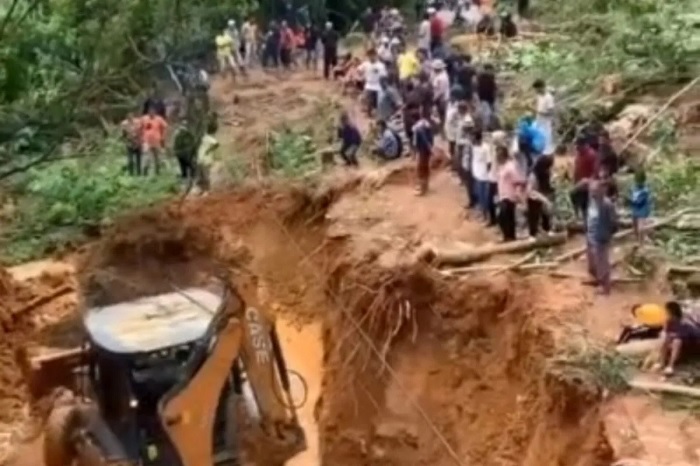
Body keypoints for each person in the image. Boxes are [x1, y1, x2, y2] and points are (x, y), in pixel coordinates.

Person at [586, 180, 618, 295]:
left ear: (601, 191)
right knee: (599, 261)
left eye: (594, 191)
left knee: (603, 262)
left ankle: (605, 287)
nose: (592, 193)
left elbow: (614, 222)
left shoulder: (606, 204)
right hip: (596, 235)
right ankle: (601, 283)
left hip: (602, 236)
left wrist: (608, 233)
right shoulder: (597, 203)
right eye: (591, 191)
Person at [652, 301, 700, 376]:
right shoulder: (668, 322)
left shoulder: (684, 323)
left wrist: (670, 337)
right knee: (666, 339)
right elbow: (667, 333)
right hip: (682, 340)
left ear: (673, 313)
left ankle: (670, 366)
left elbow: (680, 336)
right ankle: (661, 362)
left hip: (694, 343)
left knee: (677, 341)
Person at [496, 146, 523, 242]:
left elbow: (518, 181)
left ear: (504, 156)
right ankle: (510, 237)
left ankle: (509, 236)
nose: (497, 157)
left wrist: (517, 194)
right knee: (508, 218)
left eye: (499, 155)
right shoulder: (502, 166)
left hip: (509, 196)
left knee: (502, 217)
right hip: (502, 195)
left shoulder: (510, 167)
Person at [570, 137, 598, 226]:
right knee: (576, 205)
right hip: (578, 185)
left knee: (586, 209)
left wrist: (588, 181)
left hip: (586, 187)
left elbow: (595, 172)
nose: (576, 148)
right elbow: (576, 169)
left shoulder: (592, 155)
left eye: (578, 146)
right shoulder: (579, 154)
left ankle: (589, 228)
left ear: (584, 145)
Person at [526, 155, 555, 237]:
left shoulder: (547, 173)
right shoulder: (533, 175)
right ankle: (533, 233)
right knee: (533, 215)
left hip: (543, 194)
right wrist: (543, 199)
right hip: (533, 196)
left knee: (546, 212)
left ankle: (547, 229)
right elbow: (530, 191)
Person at [140, 105, 168, 176]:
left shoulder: (159, 119)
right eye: (150, 112)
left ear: (155, 112)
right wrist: (140, 138)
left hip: (157, 141)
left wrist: (163, 137)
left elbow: (165, 127)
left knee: (158, 157)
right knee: (146, 157)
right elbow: (139, 127)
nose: (151, 113)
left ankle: (158, 172)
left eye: (153, 112)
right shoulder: (144, 118)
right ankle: (144, 172)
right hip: (146, 141)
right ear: (148, 112)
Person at [359, 49, 387, 117]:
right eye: (369, 56)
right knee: (368, 101)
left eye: (372, 55)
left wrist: (378, 72)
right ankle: (368, 114)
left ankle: (379, 115)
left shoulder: (380, 65)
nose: (371, 57)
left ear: (375, 55)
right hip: (369, 85)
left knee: (379, 102)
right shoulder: (365, 64)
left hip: (378, 85)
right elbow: (359, 70)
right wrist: (362, 75)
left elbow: (384, 75)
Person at [627, 169, 652, 245]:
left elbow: (639, 201)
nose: (638, 182)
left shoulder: (645, 190)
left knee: (641, 228)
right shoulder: (633, 187)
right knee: (635, 227)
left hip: (642, 210)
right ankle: (637, 240)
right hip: (635, 210)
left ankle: (641, 242)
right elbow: (631, 196)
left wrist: (631, 199)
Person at [195, 120, 219, 194]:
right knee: (204, 175)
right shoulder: (209, 138)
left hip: (202, 159)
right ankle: (204, 190)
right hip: (204, 159)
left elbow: (216, 144)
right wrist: (209, 150)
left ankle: (205, 190)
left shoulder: (205, 137)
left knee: (203, 175)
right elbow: (216, 144)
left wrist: (208, 150)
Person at [471, 130, 490, 221]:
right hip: (476, 173)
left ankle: (484, 214)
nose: (472, 140)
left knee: (483, 195)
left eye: (473, 138)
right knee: (478, 193)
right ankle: (481, 210)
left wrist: (488, 174)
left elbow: (488, 162)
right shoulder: (474, 146)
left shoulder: (485, 148)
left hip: (483, 175)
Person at [413, 114, 434, 195]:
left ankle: (422, 190)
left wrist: (429, 148)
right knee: (425, 168)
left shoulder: (418, 128)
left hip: (423, 150)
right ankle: (425, 186)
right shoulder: (425, 124)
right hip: (426, 150)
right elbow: (430, 138)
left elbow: (422, 139)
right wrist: (430, 148)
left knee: (420, 169)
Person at [534, 79, 556, 156]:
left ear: (542, 87)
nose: (536, 91)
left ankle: (547, 156)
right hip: (539, 120)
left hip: (546, 122)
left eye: (537, 89)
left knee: (546, 139)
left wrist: (540, 112)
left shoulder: (549, 97)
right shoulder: (539, 96)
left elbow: (551, 112)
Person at [171, 116, 198, 181]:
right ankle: (188, 178)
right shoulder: (179, 134)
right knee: (187, 166)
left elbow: (192, 142)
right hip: (183, 152)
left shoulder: (186, 133)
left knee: (187, 166)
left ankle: (189, 178)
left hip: (184, 152)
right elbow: (175, 144)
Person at [476, 63, 497, 130]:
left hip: (482, 96)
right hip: (489, 97)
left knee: (484, 112)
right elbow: (493, 87)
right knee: (489, 112)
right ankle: (487, 126)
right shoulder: (491, 76)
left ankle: (485, 126)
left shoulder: (479, 76)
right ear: (489, 69)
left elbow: (477, 86)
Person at [431, 59, 450, 132]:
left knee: (442, 115)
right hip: (441, 98)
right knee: (441, 115)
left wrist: (434, 98)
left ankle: (443, 130)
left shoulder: (442, 77)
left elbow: (440, 90)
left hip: (442, 99)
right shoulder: (441, 75)